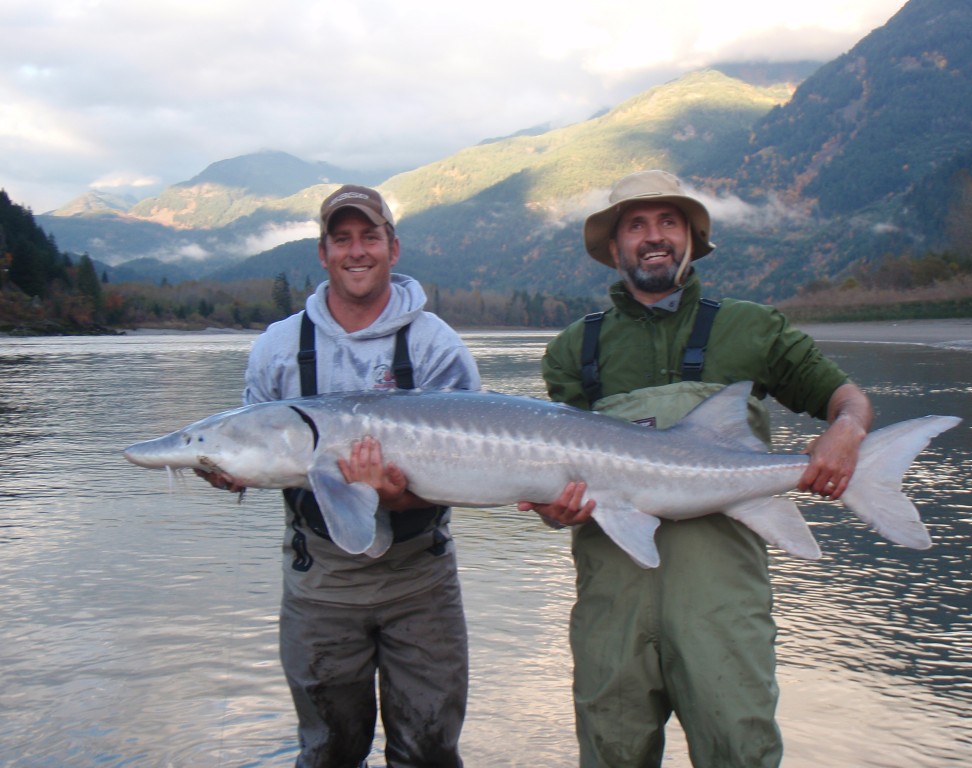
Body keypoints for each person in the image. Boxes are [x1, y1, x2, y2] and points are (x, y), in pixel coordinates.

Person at [518, 170, 873, 768]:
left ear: (690, 237)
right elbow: (561, 485)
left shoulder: (751, 326)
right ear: (614, 248)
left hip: (721, 607)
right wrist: (556, 512)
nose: (653, 236)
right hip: (612, 606)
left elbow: (847, 400)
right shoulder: (572, 349)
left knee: (740, 750)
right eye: (636, 225)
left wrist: (848, 431)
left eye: (668, 222)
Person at [200, 184, 481, 768]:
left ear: (393, 248)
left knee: (430, 753)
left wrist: (396, 496)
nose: (357, 251)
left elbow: (472, 468)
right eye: (342, 239)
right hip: (320, 578)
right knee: (329, 752)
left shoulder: (436, 345)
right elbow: (251, 443)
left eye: (369, 237)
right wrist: (231, 474)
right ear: (323, 252)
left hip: (419, 578)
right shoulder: (278, 348)